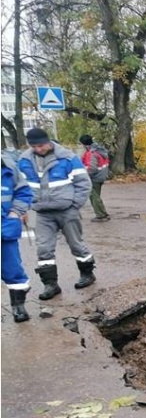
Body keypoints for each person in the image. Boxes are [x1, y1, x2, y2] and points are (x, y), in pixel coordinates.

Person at [17, 128, 97, 300]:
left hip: (67, 210)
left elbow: (84, 183)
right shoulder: (24, 160)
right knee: (44, 248)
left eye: (41, 145)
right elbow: (20, 186)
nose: (38, 149)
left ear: (48, 141)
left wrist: (74, 205)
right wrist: (23, 208)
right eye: (34, 146)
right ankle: (50, 284)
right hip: (42, 213)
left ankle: (87, 274)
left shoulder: (67, 157)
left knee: (76, 245)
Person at [1, 148, 34, 322]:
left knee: (12, 270)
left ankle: (18, 306)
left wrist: (15, 213)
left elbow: (23, 192)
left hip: (5, 229)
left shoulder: (8, 168)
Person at [78, 134, 110, 222]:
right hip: (101, 176)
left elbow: (92, 168)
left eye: (81, 144)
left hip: (95, 178)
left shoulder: (91, 153)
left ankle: (101, 215)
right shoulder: (99, 150)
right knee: (96, 196)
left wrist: (83, 176)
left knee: (93, 196)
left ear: (84, 144)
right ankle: (103, 213)